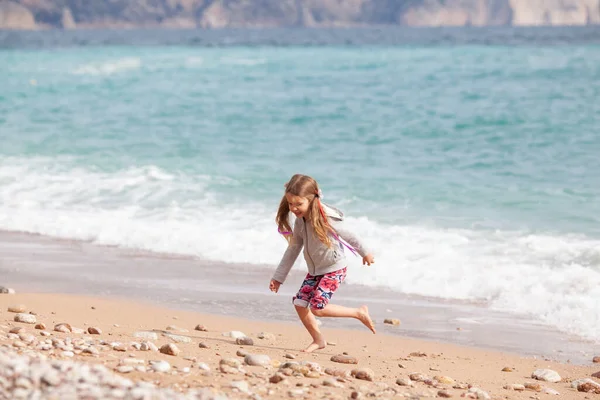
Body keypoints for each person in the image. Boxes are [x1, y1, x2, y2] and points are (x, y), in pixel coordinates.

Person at [269, 174, 376, 353]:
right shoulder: (300, 221)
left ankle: (358, 313)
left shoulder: (326, 217)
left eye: (298, 204)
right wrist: (279, 277)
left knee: (318, 308)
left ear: (311, 199)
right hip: (316, 270)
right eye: (290, 204)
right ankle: (318, 340)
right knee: (300, 303)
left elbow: (348, 234)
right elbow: (293, 248)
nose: (294, 208)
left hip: (334, 268)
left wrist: (365, 252)